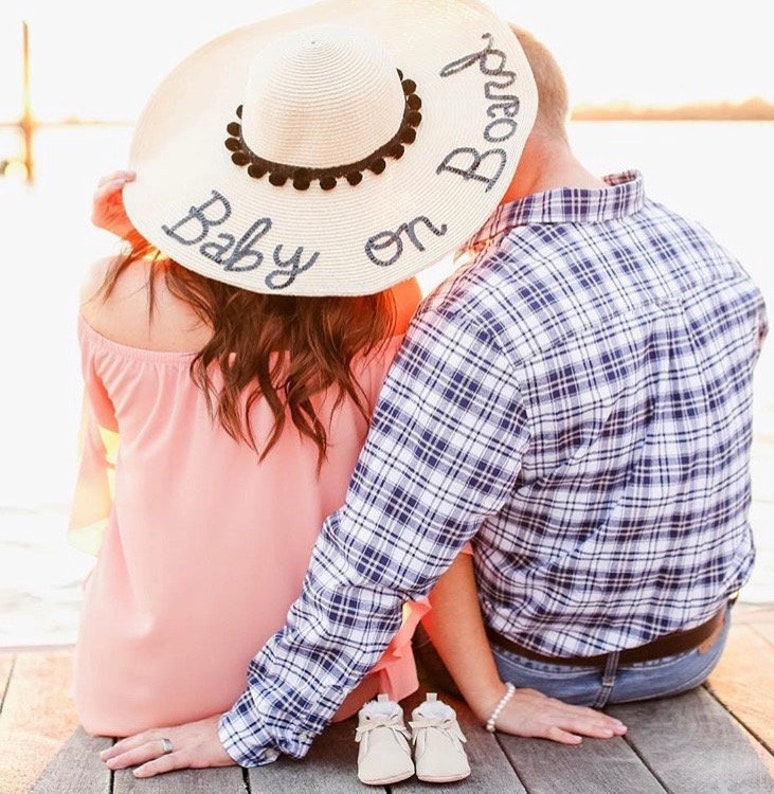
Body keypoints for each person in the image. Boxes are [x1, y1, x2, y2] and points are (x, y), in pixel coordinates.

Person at [103, 8, 771, 780]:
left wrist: (250, 728)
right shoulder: (707, 252)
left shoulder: (479, 317)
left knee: (400, 516)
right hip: (695, 646)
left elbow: (379, 558)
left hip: (548, 665)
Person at [70, 0, 570, 754]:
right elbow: (433, 526)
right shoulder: (388, 307)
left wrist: (156, 246)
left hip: (131, 684)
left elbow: (126, 446)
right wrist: (490, 698)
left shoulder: (108, 294)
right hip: (328, 689)